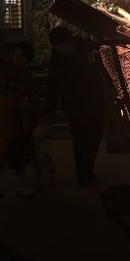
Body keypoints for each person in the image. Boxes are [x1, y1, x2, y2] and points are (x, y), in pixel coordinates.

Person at [44, 26, 108, 186]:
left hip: (95, 102)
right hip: (74, 106)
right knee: (80, 140)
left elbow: (104, 68)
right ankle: (83, 173)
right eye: (56, 47)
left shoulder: (88, 49)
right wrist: (48, 112)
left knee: (94, 137)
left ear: (68, 41)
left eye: (61, 46)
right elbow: (53, 87)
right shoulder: (57, 60)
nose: (59, 50)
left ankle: (87, 168)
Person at [0, 42, 39, 197]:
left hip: (19, 117)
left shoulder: (26, 75)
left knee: (20, 153)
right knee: (0, 152)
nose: (18, 58)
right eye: (16, 54)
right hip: (4, 116)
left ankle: (21, 185)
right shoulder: (4, 70)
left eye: (21, 56)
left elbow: (31, 96)